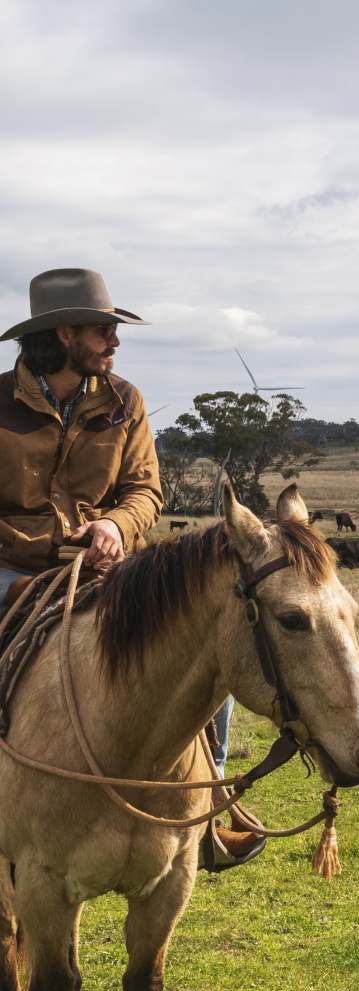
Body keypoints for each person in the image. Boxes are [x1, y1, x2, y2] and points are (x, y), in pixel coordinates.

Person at [0, 267, 263, 867]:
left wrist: (115, 527)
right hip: (13, 565)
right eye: (103, 331)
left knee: (201, 641)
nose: (115, 342)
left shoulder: (126, 402)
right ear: (64, 335)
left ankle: (208, 806)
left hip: (108, 566)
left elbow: (146, 490)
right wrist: (34, 550)